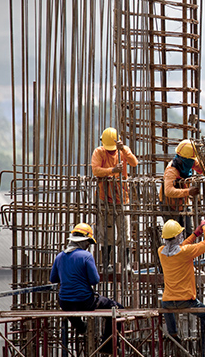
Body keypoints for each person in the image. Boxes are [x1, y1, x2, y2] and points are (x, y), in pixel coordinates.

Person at [50, 223, 124, 354]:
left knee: (71, 309)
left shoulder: (59, 257)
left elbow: (53, 279)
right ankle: (107, 347)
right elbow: (94, 280)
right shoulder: (86, 256)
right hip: (85, 301)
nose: (88, 245)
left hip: (65, 303)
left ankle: (80, 327)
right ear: (83, 242)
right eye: (88, 242)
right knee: (116, 309)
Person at [158, 219, 205, 355]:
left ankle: (173, 334)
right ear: (178, 236)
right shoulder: (185, 252)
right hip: (186, 300)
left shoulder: (161, 252)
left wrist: (195, 234)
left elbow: (179, 247)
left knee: (165, 306)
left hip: (168, 301)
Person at [91, 127, 139, 270]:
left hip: (122, 198)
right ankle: (106, 264)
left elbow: (134, 162)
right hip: (104, 198)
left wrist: (123, 148)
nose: (112, 151)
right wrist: (112, 171)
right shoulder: (99, 152)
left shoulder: (123, 151)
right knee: (106, 233)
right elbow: (95, 170)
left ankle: (126, 264)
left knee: (125, 233)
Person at [161, 140, 204, 227]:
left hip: (183, 203)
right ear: (185, 159)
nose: (192, 162)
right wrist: (188, 192)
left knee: (188, 232)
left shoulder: (188, 162)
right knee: (174, 234)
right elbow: (168, 191)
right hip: (169, 205)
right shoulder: (172, 170)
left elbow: (203, 170)